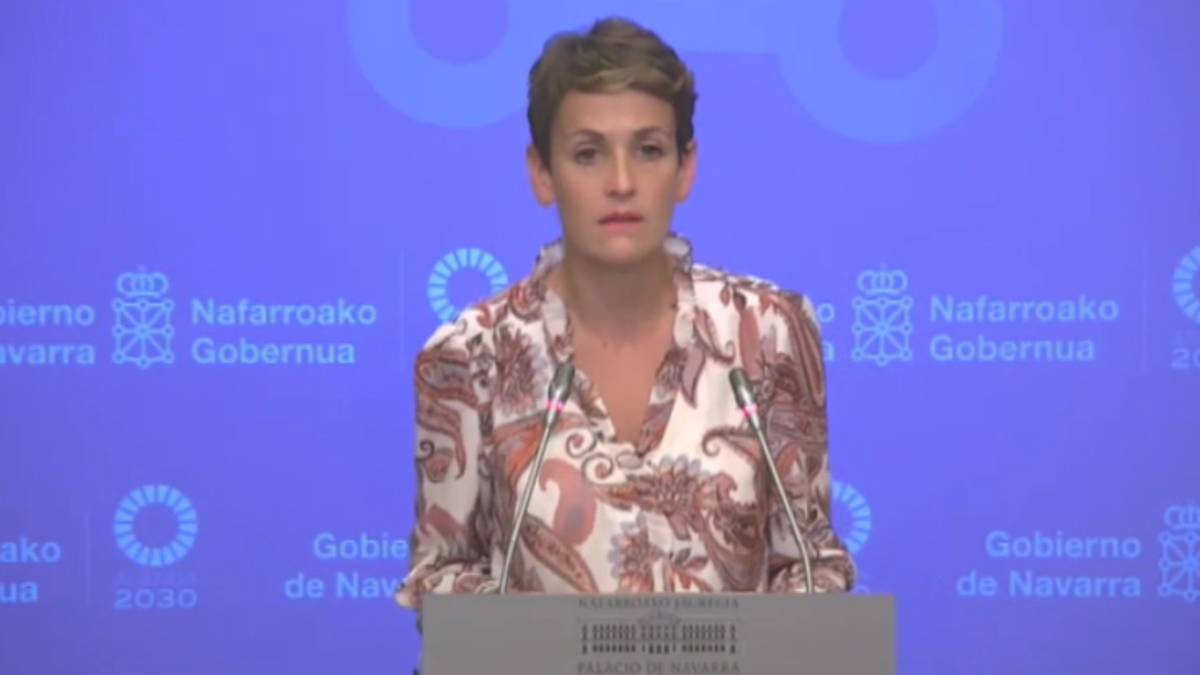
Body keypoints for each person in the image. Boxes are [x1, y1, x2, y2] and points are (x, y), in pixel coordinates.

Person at [395, 17, 854, 611]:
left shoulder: (766, 332)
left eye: (649, 150)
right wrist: (569, 643)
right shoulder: (469, 355)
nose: (621, 182)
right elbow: (440, 575)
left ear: (685, 169)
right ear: (542, 173)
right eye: (588, 154)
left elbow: (812, 564)